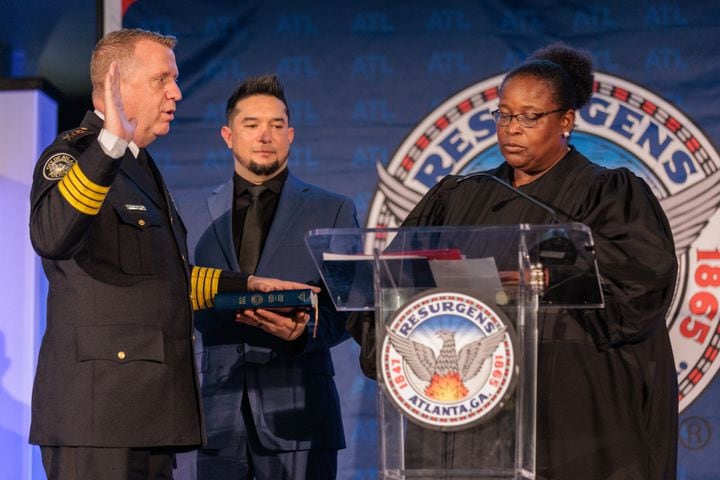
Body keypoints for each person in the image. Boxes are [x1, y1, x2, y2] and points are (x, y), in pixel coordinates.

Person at [349, 43, 678, 479]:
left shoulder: (608, 193)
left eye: (529, 116)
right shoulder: (457, 198)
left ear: (566, 120)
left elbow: (641, 283)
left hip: (574, 414)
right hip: (472, 411)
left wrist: (543, 277)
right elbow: (390, 280)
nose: (511, 128)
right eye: (503, 114)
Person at [28, 29, 314, 480]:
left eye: (175, 80)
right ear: (116, 84)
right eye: (163, 79)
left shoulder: (139, 165)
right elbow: (50, 236)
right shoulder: (77, 153)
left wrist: (248, 287)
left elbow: (161, 276)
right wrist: (107, 147)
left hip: (148, 413)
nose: (177, 93)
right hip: (100, 417)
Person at [177, 74, 358, 480]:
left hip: (300, 415)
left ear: (290, 135)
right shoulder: (186, 213)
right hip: (209, 413)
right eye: (251, 124)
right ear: (227, 135)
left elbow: (351, 306)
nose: (265, 136)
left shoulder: (333, 209)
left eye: (276, 125)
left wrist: (305, 331)